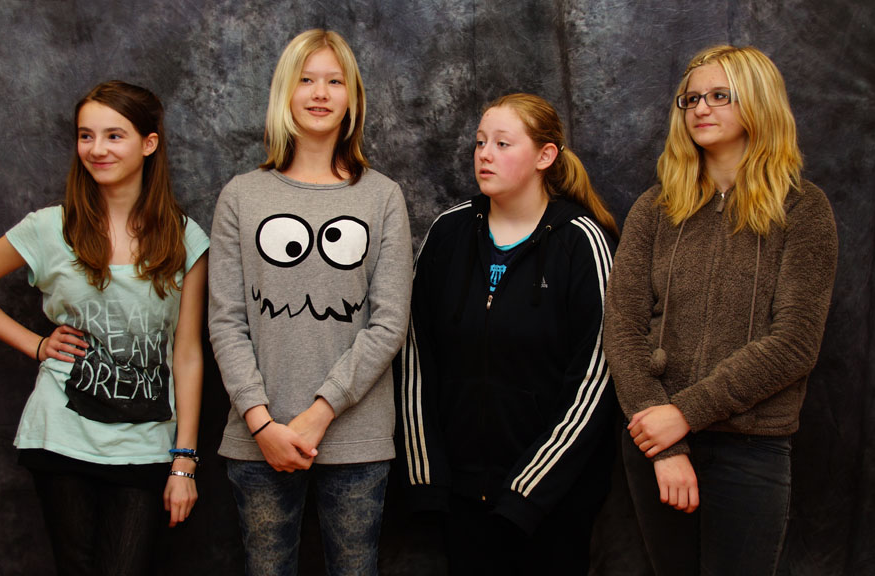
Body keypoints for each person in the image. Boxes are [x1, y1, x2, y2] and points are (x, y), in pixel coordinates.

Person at [0, 80, 209, 575]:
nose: (97, 149)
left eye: (114, 135)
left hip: (145, 442)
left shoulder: (184, 236)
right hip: (61, 434)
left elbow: (187, 352)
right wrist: (36, 344)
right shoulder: (49, 228)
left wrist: (184, 459)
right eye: (86, 136)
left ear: (149, 143)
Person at [603, 45, 839, 576]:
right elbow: (622, 328)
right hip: (654, 442)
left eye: (719, 96)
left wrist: (685, 413)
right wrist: (665, 446)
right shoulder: (655, 209)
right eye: (691, 99)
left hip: (751, 449)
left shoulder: (803, 208)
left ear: (758, 103)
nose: (700, 109)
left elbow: (795, 342)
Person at [208, 29, 413, 576]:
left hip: (356, 441)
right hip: (259, 441)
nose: (320, 93)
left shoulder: (382, 196)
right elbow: (226, 322)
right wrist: (262, 424)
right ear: (285, 92)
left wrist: (319, 414)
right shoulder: (241, 196)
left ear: (352, 98)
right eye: (306, 80)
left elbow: (389, 323)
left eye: (334, 81)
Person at [397, 93, 619, 575]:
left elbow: (596, 377)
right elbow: (415, 355)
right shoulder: (448, 233)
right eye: (480, 143)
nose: (484, 155)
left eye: (502, 143)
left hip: (552, 502)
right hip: (461, 499)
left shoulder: (582, 242)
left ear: (545, 156)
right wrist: (427, 475)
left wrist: (528, 490)